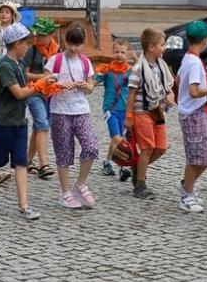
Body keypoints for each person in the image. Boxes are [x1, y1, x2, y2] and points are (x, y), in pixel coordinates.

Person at [0, 23, 42, 220]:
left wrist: (41, 81)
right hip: (4, 122)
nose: (28, 47)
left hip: (20, 122)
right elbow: (19, 93)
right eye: (26, 43)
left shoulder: (19, 64)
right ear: (17, 44)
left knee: (21, 163)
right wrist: (40, 86)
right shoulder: (5, 66)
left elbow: (25, 84)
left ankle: (23, 205)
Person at [174, 22, 207, 213]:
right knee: (196, 157)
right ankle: (187, 195)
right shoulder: (194, 63)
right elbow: (194, 91)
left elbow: (178, 80)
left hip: (200, 112)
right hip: (193, 114)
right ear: (205, 41)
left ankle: (187, 183)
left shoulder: (189, 58)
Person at [49, 22, 100, 209]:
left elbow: (91, 87)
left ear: (83, 43)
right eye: (71, 43)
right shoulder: (55, 60)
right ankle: (65, 192)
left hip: (81, 110)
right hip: (60, 111)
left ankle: (80, 184)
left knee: (91, 146)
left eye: (77, 45)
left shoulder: (85, 62)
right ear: (65, 41)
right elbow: (45, 84)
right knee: (64, 152)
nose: (73, 48)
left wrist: (86, 86)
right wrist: (59, 85)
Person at [126, 28, 175, 200]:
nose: (165, 48)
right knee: (147, 148)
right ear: (151, 47)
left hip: (157, 112)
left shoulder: (161, 66)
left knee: (161, 148)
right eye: (162, 45)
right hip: (141, 112)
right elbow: (131, 93)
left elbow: (169, 89)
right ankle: (140, 185)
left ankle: (138, 169)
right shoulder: (138, 68)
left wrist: (170, 95)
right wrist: (129, 117)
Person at [25, 17, 60, 180]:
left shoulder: (57, 51)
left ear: (51, 35)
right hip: (33, 92)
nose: (38, 38)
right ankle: (43, 165)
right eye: (37, 34)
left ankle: (27, 161)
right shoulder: (32, 50)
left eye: (42, 35)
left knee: (39, 127)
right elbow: (25, 74)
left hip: (50, 94)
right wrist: (42, 77)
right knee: (42, 124)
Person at [96, 39, 133, 178]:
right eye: (116, 51)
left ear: (127, 54)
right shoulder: (107, 70)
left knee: (118, 138)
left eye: (122, 52)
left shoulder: (130, 72)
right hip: (110, 110)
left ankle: (107, 162)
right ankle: (125, 165)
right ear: (112, 53)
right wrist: (87, 85)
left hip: (126, 109)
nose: (119, 55)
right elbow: (93, 82)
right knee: (117, 138)